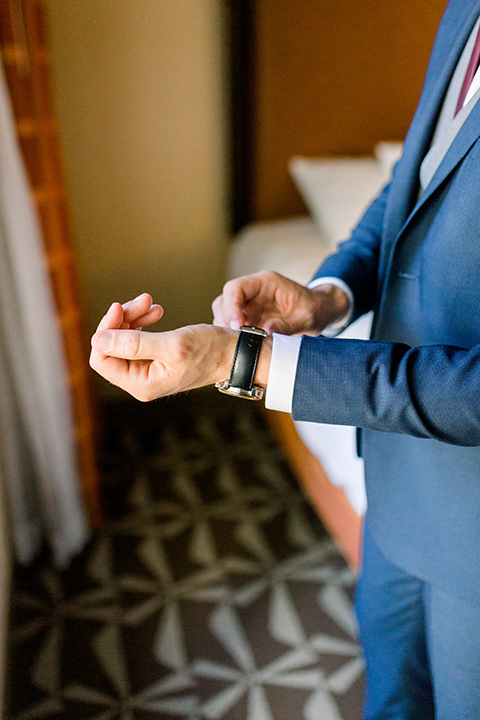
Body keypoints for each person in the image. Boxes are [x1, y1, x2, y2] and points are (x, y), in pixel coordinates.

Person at [90, 1, 480, 717]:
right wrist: (326, 296)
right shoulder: (463, 14)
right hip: (394, 475)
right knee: (390, 699)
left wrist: (237, 363)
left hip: (475, 529)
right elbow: (408, 189)